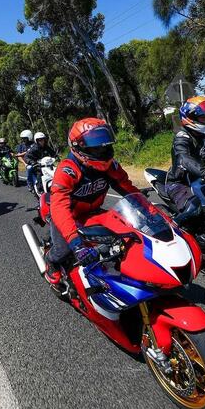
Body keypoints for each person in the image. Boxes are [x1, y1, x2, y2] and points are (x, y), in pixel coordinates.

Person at [45, 118, 140, 284]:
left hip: (93, 212)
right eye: (96, 146)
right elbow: (59, 207)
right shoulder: (67, 169)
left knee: (127, 234)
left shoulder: (110, 166)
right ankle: (50, 261)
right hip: (69, 216)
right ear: (78, 146)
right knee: (64, 250)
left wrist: (154, 214)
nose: (102, 149)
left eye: (105, 144)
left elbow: (129, 189)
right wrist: (76, 243)